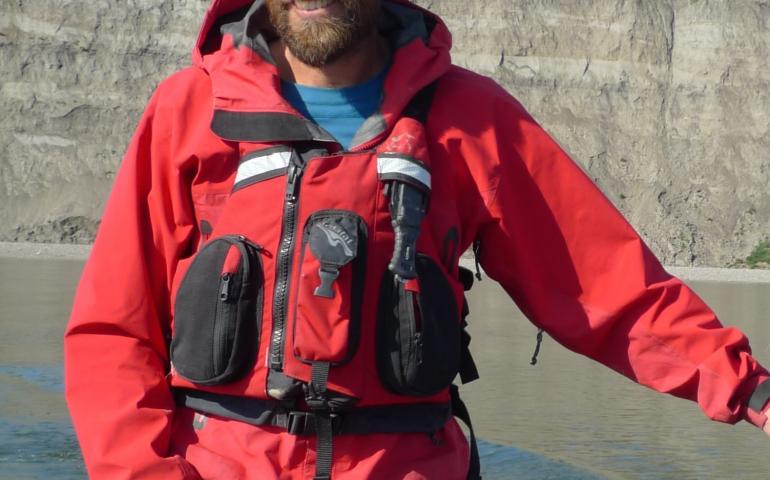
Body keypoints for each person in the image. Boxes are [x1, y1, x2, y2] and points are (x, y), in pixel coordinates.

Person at [64, 0, 770, 479]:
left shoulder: (471, 118)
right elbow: (112, 333)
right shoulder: (186, 111)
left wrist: (753, 391)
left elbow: (606, 289)